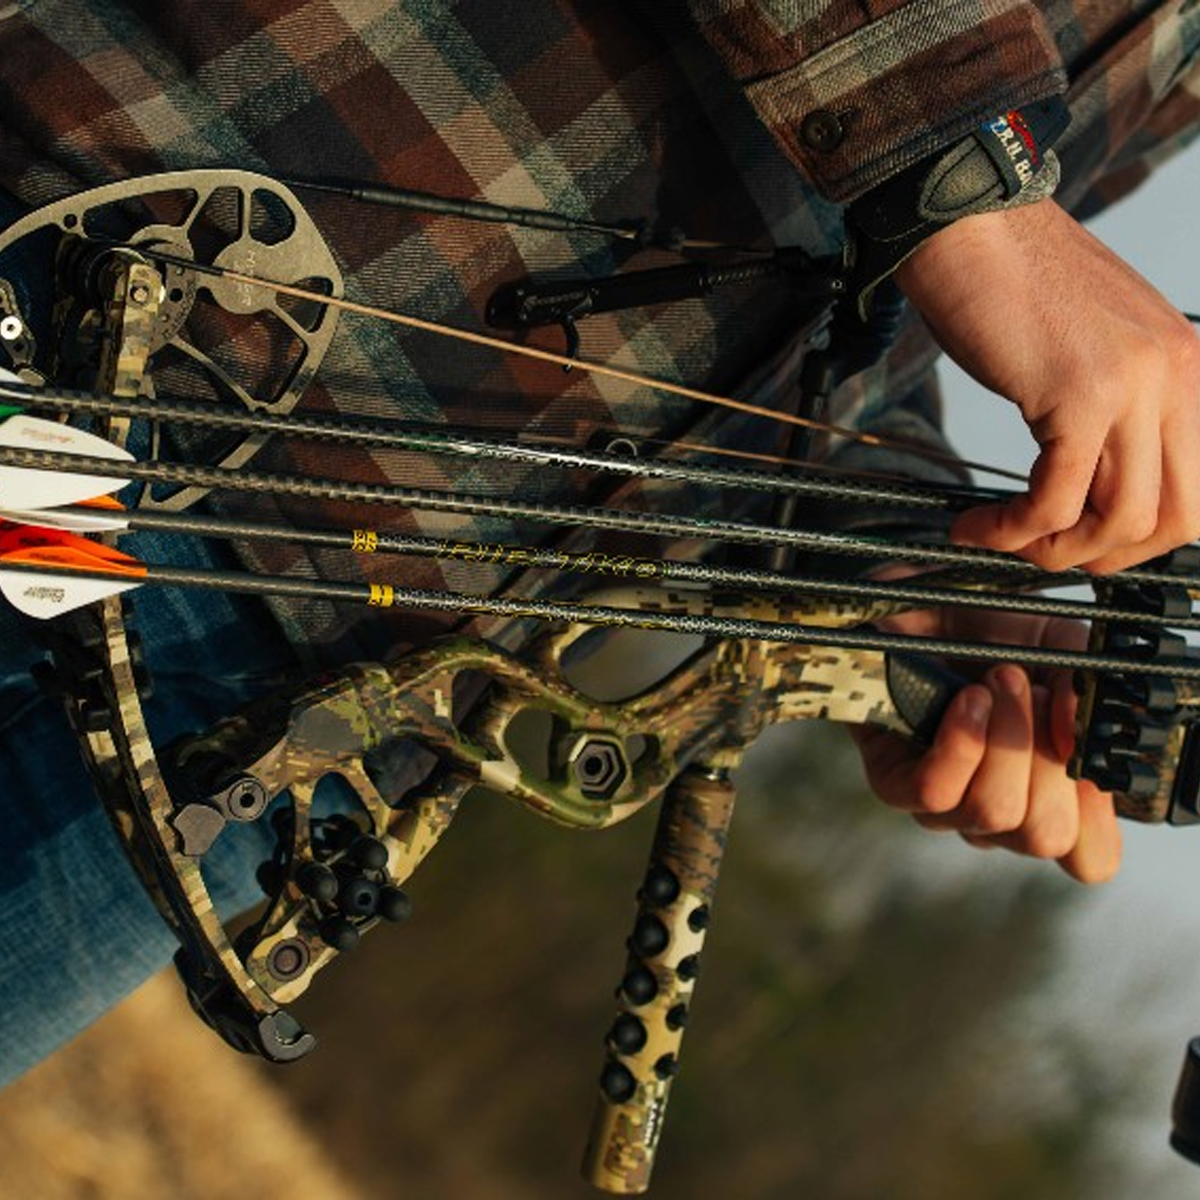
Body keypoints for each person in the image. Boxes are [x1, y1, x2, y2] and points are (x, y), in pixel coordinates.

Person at [0, 0, 1197, 1085]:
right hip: (132, 294)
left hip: (332, 700)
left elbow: (837, 314)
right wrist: (975, 185)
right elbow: (979, 236)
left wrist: (903, 570)